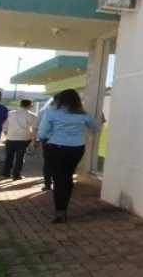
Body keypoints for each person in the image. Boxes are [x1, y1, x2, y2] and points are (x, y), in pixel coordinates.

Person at [37, 89, 99, 223]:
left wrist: (48, 136)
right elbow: (95, 127)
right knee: (67, 176)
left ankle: (60, 211)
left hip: (55, 147)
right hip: (76, 148)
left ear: (60, 100)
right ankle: (63, 206)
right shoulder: (84, 115)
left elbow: (41, 134)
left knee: (58, 179)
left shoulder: (51, 113)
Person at [0, 99, 37, 181]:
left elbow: (5, 124)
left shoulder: (11, 113)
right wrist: (34, 141)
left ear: (20, 104)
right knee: (20, 157)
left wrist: (6, 132)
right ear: (30, 105)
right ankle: (16, 175)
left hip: (11, 138)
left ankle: (6, 173)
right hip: (24, 139)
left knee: (9, 157)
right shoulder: (33, 115)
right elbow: (34, 129)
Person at [36, 96, 55, 191]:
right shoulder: (69, 112)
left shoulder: (43, 112)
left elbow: (38, 126)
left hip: (47, 140)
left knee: (48, 162)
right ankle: (59, 183)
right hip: (64, 141)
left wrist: (37, 140)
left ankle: (47, 184)